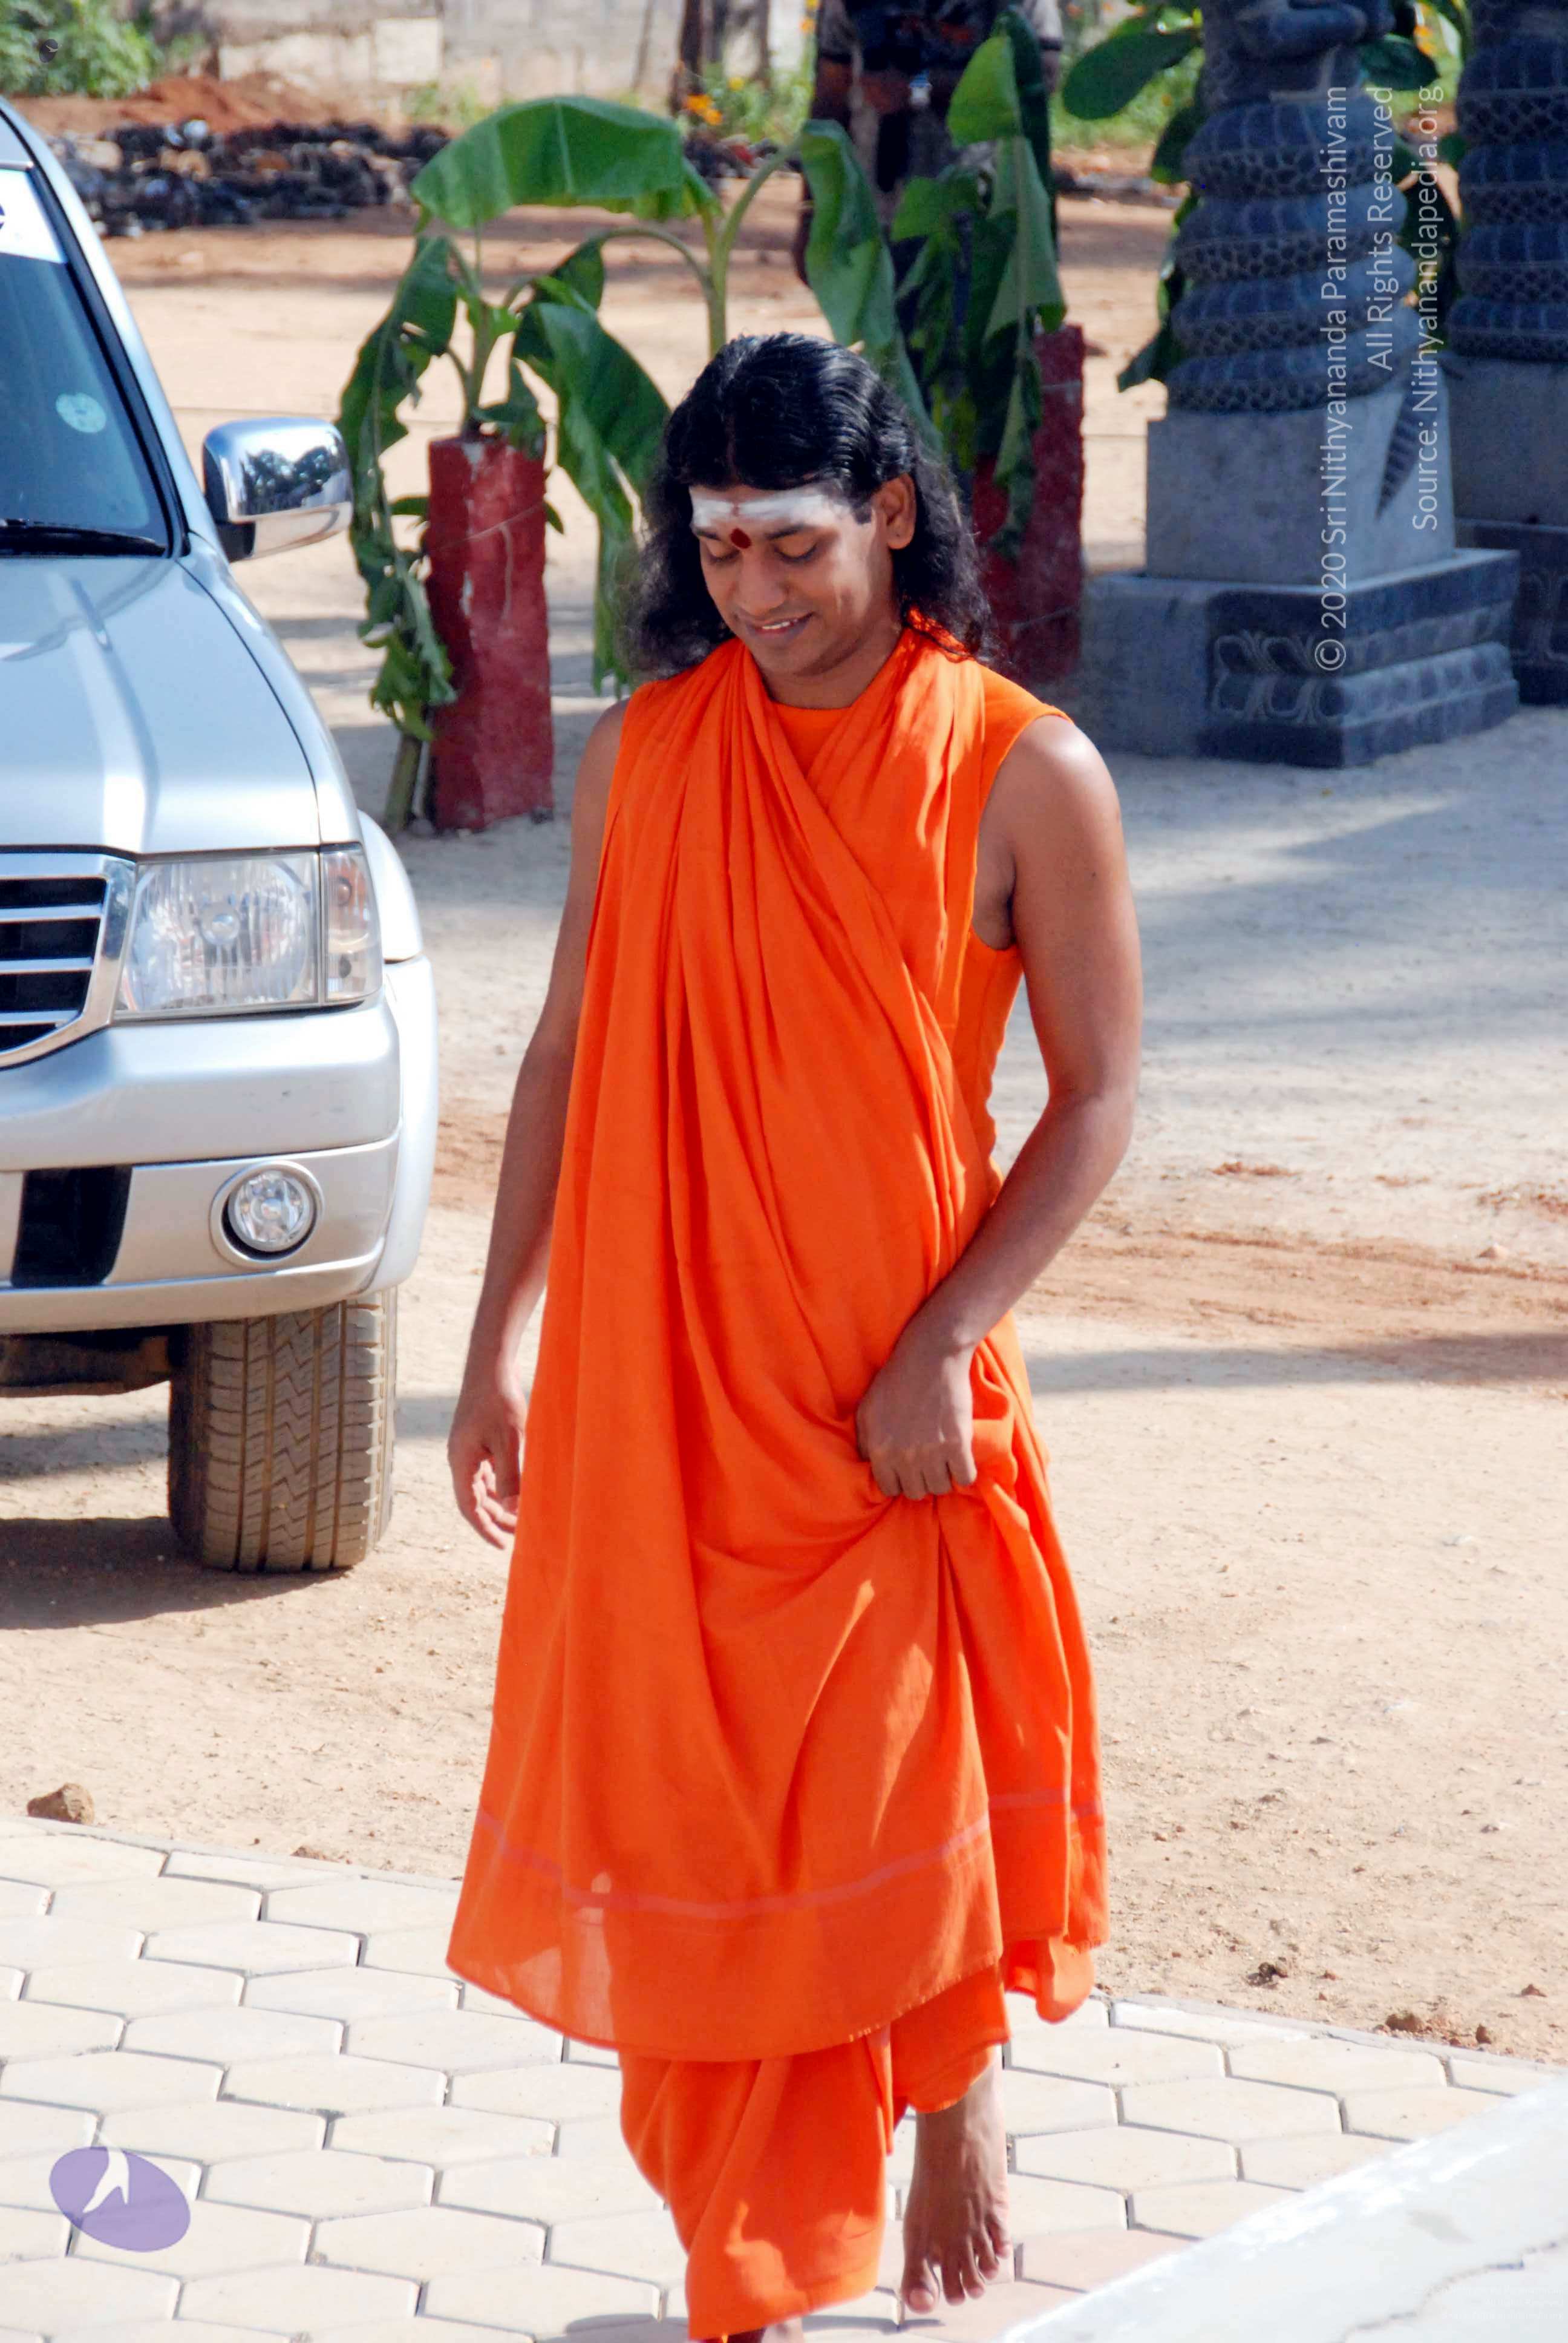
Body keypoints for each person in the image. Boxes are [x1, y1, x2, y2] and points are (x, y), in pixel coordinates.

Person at [445, 332, 1141, 2341]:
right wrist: (495, 1343)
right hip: (662, 1381)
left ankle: (951, 2084)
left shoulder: (1023, 767)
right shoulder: (651, 752)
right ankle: (749, 2255)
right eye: (721, 544)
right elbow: (566, 1051)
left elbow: (1099, 1097)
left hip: (884, 1382)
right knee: (693, 1802)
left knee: (893, 1775)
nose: (753, 589)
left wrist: (944, 1343)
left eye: (796, 544)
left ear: (893, 515)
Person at [795, 0, 1065, 262]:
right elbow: (829, 101)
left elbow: (1039, 79)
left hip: (982, 212)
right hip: (873, 218)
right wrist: (811, 213)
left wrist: (919, 87)